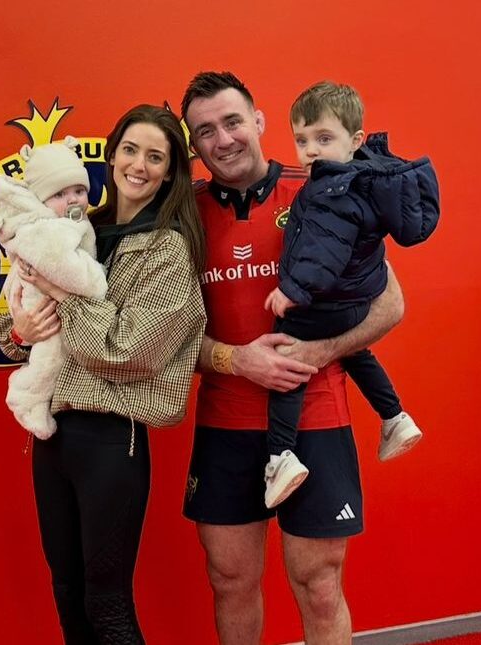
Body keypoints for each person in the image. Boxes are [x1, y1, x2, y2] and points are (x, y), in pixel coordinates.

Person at [180, 71, 404, 645]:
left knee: (319, 584)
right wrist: (237, 360)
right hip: (226, 424)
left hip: (316, 419)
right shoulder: (184, 214)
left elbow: (390, 305)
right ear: (194, 145)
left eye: (233, 122)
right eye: (205, 131)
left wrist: (319, 349)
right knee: (230, 580)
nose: (223, 139)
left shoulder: (323, 189)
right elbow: (166, 336)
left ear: (257, 122)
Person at [0, 104, 207, 644]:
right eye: (130, 150)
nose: (139, 165)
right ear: (111, 157)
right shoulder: (73, 229)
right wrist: (20, 327)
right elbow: (12, 326)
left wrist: (63, 292)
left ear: (169, 172)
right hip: (53, 434)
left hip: (113, 439)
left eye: (155, 156)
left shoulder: (168, 248)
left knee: (105, 599)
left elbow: (127, 351)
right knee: (66, 590)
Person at [262, 81, 440, 508]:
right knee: (358, 353)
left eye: (324, 139)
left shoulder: (331, 189)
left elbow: (325, 249)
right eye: (302, 140)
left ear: (356, 140)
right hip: (356, 302)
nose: (310, 151)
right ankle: (394, 416)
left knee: (288, 358)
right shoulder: (364, 182)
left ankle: (279, 456)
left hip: (325, 302)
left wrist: (292, 290)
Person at [0, 136, 107, 439]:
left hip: (57, 316)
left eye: (79, 190)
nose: (72, 200)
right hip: (45, 311)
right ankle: (28, 398)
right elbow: (72, 273)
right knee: (50, 356)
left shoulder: (71, 225)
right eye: (59, 194)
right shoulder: (47, 231)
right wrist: (97, 280)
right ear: (40, 202)